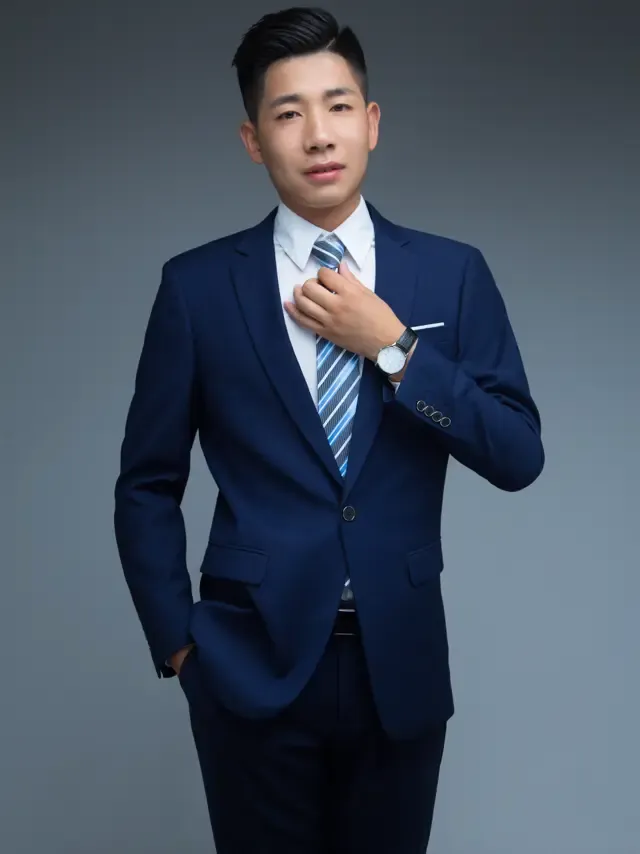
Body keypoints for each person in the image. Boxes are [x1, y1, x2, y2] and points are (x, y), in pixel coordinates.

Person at [114, 6, 544, 852]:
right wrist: (180, 647)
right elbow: (147, 484)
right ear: (253, 139)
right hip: (247, 665)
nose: (318, 134)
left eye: (338, 105)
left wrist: (395, 349)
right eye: (288, 113)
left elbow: (518, 453)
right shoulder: (197, 288)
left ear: (371, 122)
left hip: (400, 664)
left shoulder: (451, 274)